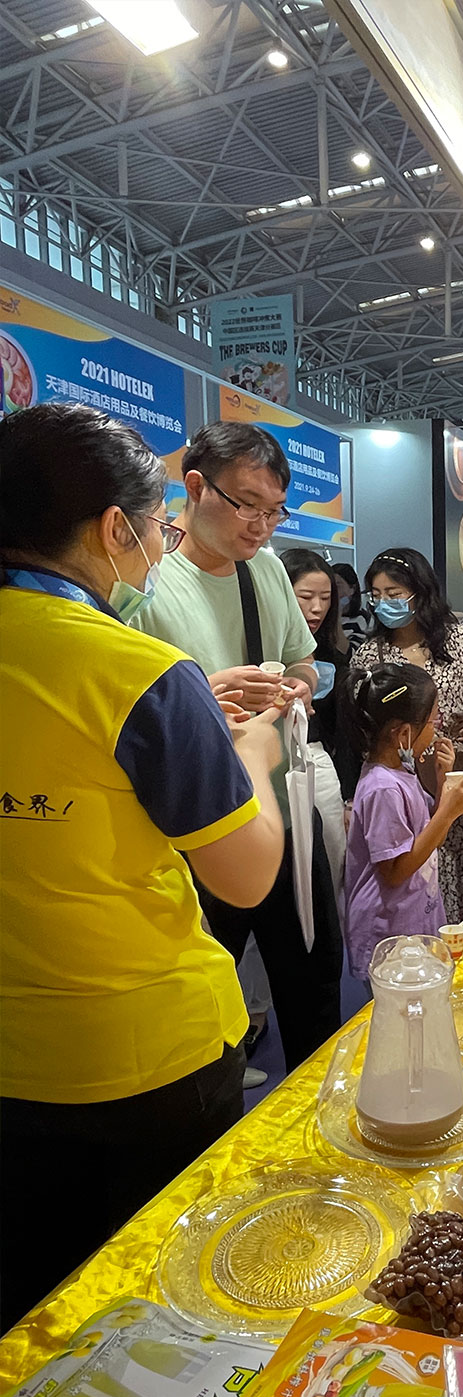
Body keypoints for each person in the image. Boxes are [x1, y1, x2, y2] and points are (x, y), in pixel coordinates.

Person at [0, 404, 286, 1330]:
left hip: (14, 1063)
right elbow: (245, 874)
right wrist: (253, 758)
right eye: (158, 524)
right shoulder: (138, 670)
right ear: (113, 528)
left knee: (36, 1316)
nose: (161, 544)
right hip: (147, 1061)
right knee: (159, 1315)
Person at [130, 421, 342, 1073]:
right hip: (194, 823)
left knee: (313, 980)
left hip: (281, 805)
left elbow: (302, 661)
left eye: (274, 511)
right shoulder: (145, 577)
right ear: (195, 487)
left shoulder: (265, 569)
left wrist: (297, 686)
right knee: (205, 1000)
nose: (262, 527)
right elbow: (125, 706)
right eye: (248, 505)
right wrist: (204, 694)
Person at [352, 548, 463, 922]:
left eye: (394, 594)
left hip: (456, 784)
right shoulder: (370, 656)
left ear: (419, 593)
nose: (384, 603)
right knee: (410, 882)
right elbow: (360, 723)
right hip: (399, 794)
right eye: (376, 595)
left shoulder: (460, 642)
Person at [341, 663, 463, 982]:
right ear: (403, 734)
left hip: (412, 920)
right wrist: (447, 813)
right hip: (388, 932)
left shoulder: (402, 772)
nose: (437, 729)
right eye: (433, 721)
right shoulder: (383, 789)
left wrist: (443, 785)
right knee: (397, 1008)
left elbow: (428, 839)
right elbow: (395, 871)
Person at [282, 548, 356, 871]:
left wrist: (350, 796)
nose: (317, 608)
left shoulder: (335, 655)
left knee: (332, 864)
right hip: (271, 766)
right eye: (306, 596)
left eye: (326, 598)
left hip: (320, 768)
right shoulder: (261, 649)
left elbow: (344, 731)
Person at [333, 561, 369, 645]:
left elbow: (351, 651)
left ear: (352, 589)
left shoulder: (361, 619)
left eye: (337, 586)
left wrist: (337, 618)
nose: (333, 591)